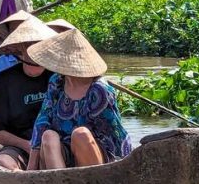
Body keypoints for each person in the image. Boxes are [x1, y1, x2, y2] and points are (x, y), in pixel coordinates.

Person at [26, 28, 132, 169]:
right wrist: (30, 169)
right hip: (63, 157)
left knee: (80, 134)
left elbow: (114, 134)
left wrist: (125, 169)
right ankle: (62, 183)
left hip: (99, 159)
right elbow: (42, 121)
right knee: (48, 136)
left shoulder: (99, 90)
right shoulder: (56, 82)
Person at [0, 18, 59, 171]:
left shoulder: (58, 77)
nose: (35, 49)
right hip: (20, 145)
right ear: (19, 48)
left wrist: (42, 147)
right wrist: (29, 146)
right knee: (1, 164)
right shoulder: (5, 79)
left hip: (54, 144)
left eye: (40, 44)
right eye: (29, 45)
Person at [0, 12, 74, 128]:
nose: (24, 43)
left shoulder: (55, 66)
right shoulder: (0, 70)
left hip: (49, 128)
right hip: (15, 129)